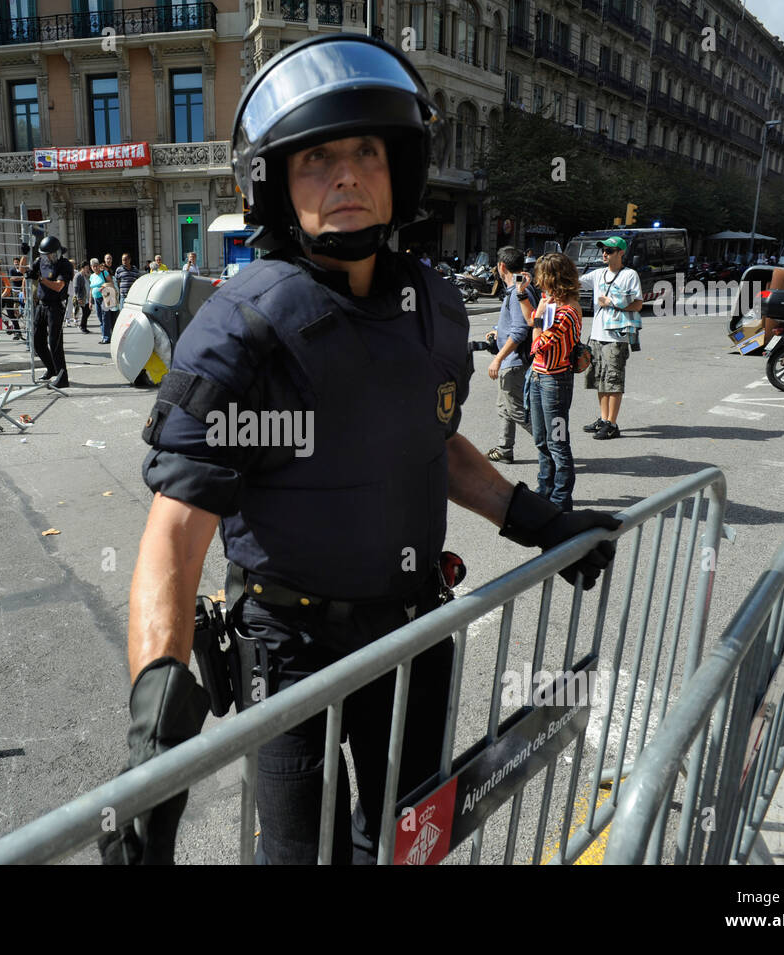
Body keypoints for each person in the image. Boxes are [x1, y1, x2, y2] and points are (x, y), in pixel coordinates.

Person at [101, 33, 621, 867]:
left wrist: (536, 519)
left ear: (399, 169)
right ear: (276, 182)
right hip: (291, 655)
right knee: (301, 856)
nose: (346, 173)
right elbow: (177, 529)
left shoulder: (435, 306)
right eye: (316, 157)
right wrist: (153, 742)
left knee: (407, 843)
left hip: (411, 634)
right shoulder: (240, 329)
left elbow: (438, 441)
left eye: (366, 150)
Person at [518, 251, 582, 510]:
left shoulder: (567, 311)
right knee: (541, 440)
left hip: (555, 382)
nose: (537, 281)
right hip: (538, 377)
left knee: (558, 442)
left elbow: (536, 344)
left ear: (554, 278)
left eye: (541, 276)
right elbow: (531, 319)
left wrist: (539, 318)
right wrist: (522, 295)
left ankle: (560, 500)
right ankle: (544, 489)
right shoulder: (550, 301)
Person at [578, 236, 641, 441]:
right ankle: (604, 419)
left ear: (621, 253)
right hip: (596, 335)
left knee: (613, 381)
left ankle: (612, 424)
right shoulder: (598, 274)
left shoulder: (630, 275)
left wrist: (612, 302)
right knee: (600, 380)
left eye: (610, 250)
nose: (605, 253)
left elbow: (638, 305)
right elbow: (575, 281)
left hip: (616, 337)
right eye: (603, 250)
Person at [485, 247, 537, 463]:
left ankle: (551, 446)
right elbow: (517, 322)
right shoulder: (517, 288)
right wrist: (499, 330)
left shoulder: (517, 291)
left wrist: (498, 358)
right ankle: (504, 449)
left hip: (514, 362)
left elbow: (520, 330)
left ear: (501, 266)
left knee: (516, 410)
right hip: (513, 360)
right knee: (504, 407)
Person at [28, 233, 74, 388]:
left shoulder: (64, 264)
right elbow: (27, 271)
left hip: (56, 306)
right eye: (45, 255)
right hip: (41, 305)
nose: (47, 257)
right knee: (36, 340)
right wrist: (25, 254)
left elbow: (59, 286)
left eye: (49, 254)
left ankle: (62, 378)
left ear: (57, 253)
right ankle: (51, 369)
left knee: (54, 342)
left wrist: (40, 279)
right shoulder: (40, 261)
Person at [72, 261, 93, 332]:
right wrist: (78, 298)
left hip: (86, 297)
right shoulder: (78, 276)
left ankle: (83, 326)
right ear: (82, 268)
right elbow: (76, 287)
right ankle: (82, 326)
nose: (88, 269)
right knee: (86, 311)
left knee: (87, 311)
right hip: (81, 297)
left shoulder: (86, 275)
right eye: (86, 268)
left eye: (88, 268)